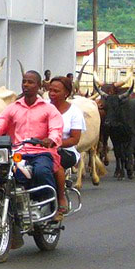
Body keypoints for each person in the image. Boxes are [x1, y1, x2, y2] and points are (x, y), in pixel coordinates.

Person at [0, 70, 63, 203]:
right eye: (24, 81)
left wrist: (50, 140)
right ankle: (1, 202)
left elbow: (56, 129)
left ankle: (49, 203)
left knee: (41, 172)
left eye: (30, 82)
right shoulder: (12, 108)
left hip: (41, 153)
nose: (26, 85)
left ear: (38, 86)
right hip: (14, 154)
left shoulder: (49, 109)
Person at [48, 76, 86, 219]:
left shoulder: (74, 112)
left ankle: (61, 197)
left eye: (56, 91)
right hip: (39, 148)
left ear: (66, 93)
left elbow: (75, 139)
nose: (52, 93)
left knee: (54, 163)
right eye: (50, 90)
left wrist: (54, 143)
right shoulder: (43, 106)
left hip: (65, 150)